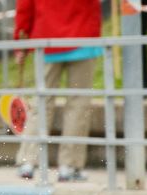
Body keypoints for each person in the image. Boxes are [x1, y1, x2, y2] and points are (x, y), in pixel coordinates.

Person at [13, 0, 102, 182]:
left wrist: (21, 40)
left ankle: (28, 162)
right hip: (82, 35)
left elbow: (25, 5)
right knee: (78, 105)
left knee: (41, 102)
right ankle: (69, 165)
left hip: (46, 39)